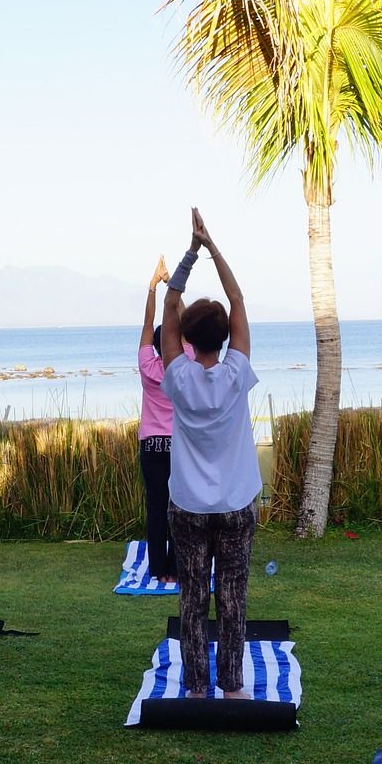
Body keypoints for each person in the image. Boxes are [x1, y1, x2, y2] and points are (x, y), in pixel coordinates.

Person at [160, 210, 260, 700]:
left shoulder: (177, 377)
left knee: (193, 597)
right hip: (237, 505)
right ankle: (233, 686)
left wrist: (190, 253)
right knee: (233, 597)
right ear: (222, 339)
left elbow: (170, 304)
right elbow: (237, 298)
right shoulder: (237, 373)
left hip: (189, 508)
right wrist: (213, 246)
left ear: (186, 341)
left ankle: (197, 688)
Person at [136, 255, 179, 584]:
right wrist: (172, 287)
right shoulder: (184, 366)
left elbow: (148, 329)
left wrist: (152, 287)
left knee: (156, 508)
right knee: (179, 506)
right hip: (179, 446)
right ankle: (176, 570)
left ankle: (158, 569)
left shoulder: (149, 368)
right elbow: (188, 319)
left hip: (152, 445)